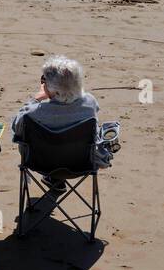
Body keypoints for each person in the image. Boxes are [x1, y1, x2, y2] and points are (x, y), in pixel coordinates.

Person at [12, 56, 102, 192]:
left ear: (52, 88)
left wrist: (36, 99)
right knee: (65, 142)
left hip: (40, 163)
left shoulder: (33, 114)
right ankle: (56, 179)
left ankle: (53, 177)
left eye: (44, 81)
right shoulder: (90, 103)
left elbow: (16, 126)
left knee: (30, 138)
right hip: (81, 163)